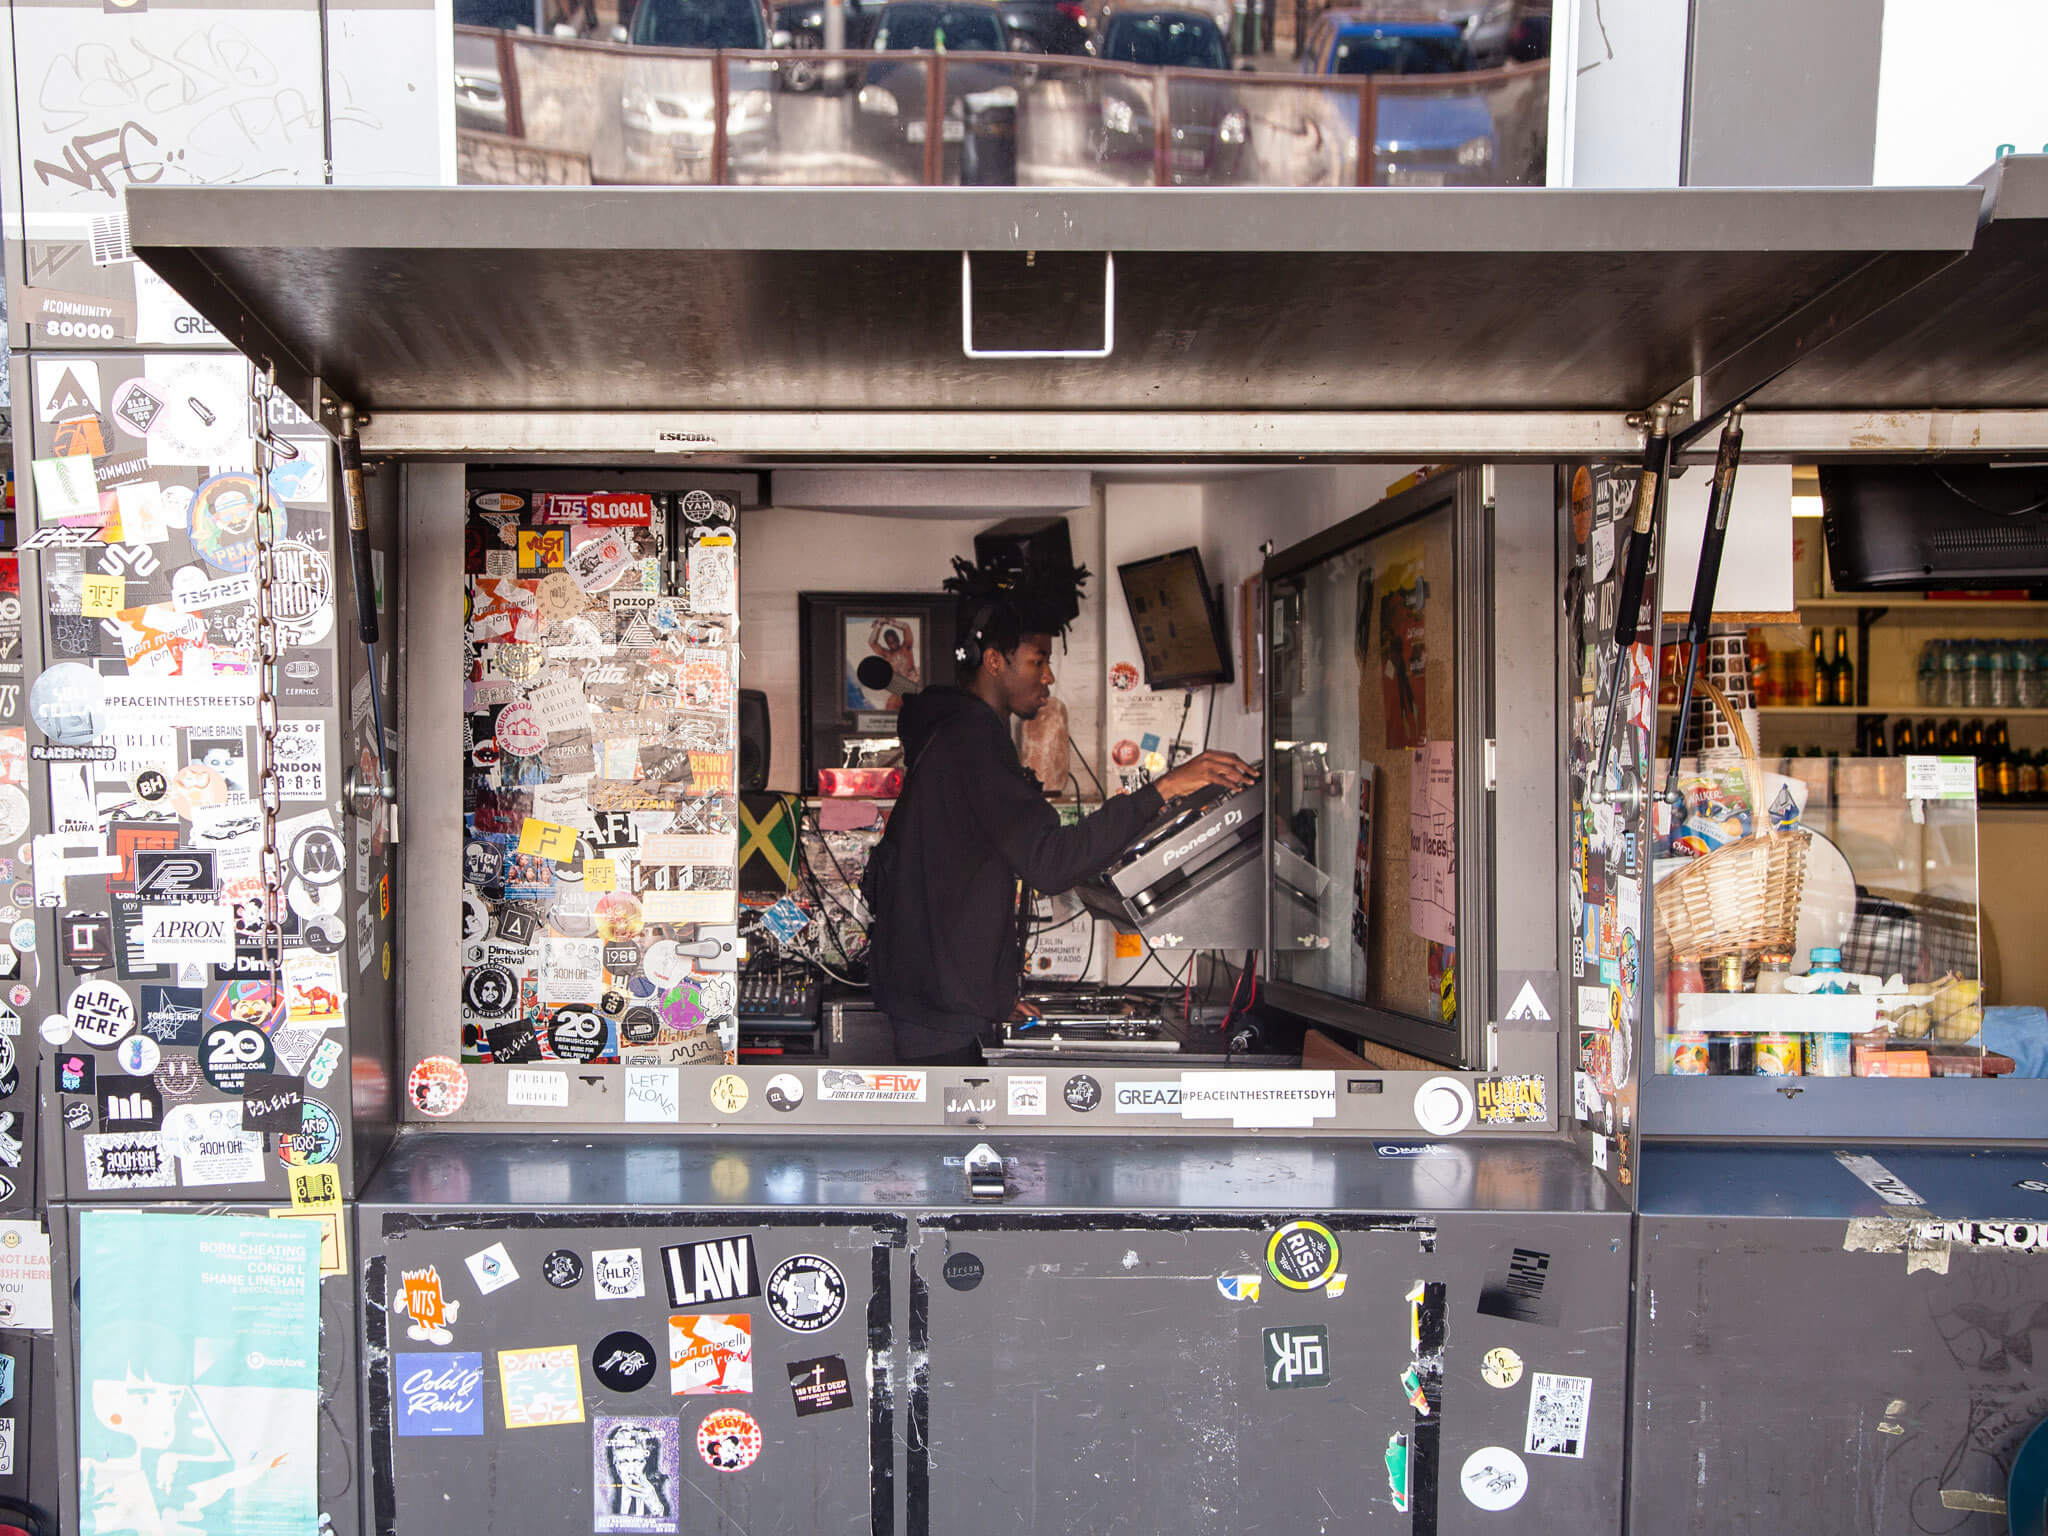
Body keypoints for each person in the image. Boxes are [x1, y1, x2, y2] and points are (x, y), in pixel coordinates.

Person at [867, 562, 1255, 1065]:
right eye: (1037, 660)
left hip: (937, 999)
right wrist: (1164, 788)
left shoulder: (953, 732)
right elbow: (1051, 863)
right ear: (994, 661)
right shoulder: (972, 742)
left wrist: (993, 997)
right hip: (940, 1013)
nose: (1048, 677)